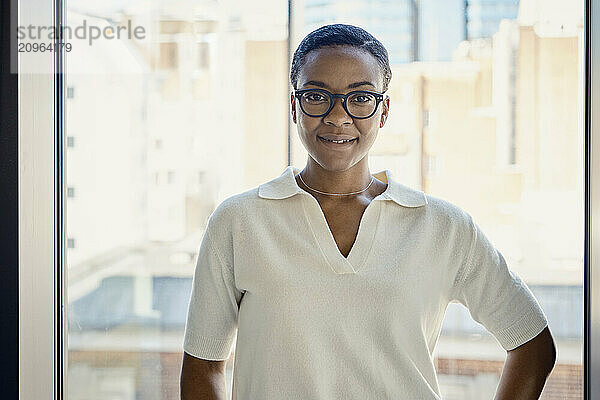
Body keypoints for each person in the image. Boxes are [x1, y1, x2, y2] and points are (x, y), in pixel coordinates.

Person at [180, 24, 556, 400]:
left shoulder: (444, 226)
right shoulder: (238, 222)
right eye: (317, 96)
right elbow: (203, 368)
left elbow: (532, 343)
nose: (338, 116)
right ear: (295, 106)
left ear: (384, 110)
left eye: (360, 98)